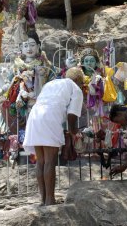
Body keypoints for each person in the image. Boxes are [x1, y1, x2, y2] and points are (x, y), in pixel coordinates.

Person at [23, 67, 84, 206]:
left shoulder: (51, 83)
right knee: (50, 161)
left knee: (41, 161)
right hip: (50, 118)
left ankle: (43, 199)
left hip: (35, 117)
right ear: (78, 80)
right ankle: (50, 200)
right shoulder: (76, 88)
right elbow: (72, 116)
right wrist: (75, 133)